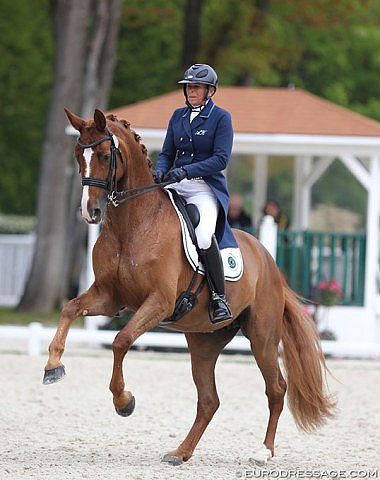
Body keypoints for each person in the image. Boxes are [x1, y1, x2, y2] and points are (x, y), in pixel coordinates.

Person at [153, 63, 237, 323]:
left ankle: (218, 297)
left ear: (209, 91)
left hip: (204, 187)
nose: (191, 91)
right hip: (175, 183)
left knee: (202, 236)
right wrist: (159, 171)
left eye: (196, 87)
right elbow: (167, 153)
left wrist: (186, 171)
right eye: (189, 87)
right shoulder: (177, 116)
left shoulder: (221, 118)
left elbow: (221, 159)